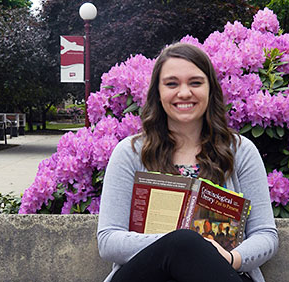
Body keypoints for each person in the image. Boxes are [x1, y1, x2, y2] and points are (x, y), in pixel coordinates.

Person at [97, 43, 278, 282]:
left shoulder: (241, 151)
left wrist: (228, 257)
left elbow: (266, 235)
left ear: (210, 89)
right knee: (184, 242)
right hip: (146, 276)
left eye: (195, 83)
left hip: (219, 274)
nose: (184, 93)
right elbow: (108, 241)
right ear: (158, 92)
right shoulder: (129, 153)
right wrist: (182, 244)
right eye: (172, 84)